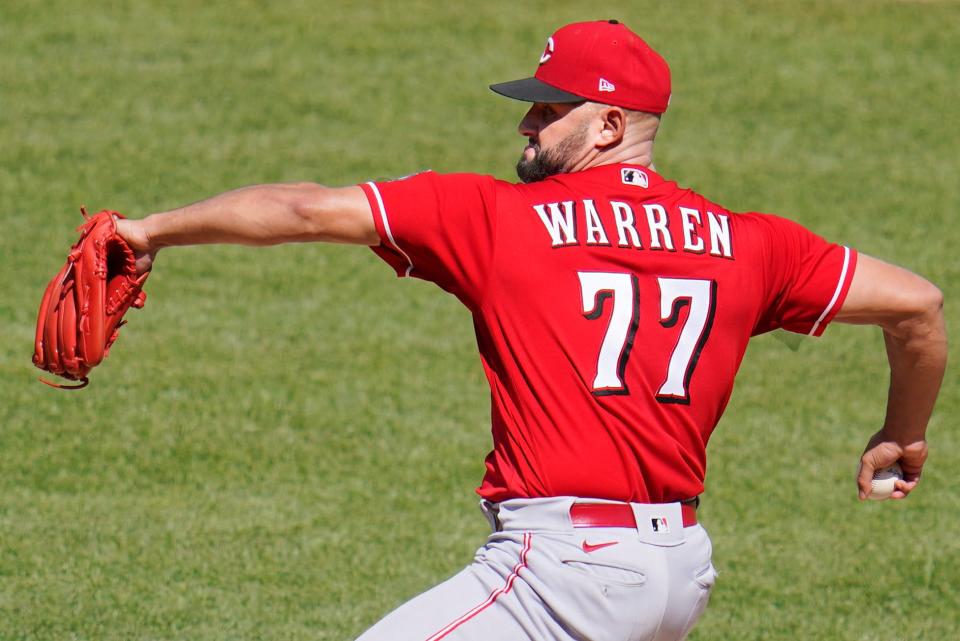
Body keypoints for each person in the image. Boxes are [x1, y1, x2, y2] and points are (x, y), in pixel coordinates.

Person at [114, 20, 946, 641]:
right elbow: (918, 305)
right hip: (679, 571)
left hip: (562, 573)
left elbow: (301, 207)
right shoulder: (750, 242)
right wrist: (902, 433)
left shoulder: (497, 218)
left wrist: (146, 232)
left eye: (547, 112)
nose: (525, 128)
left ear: (609, 127)